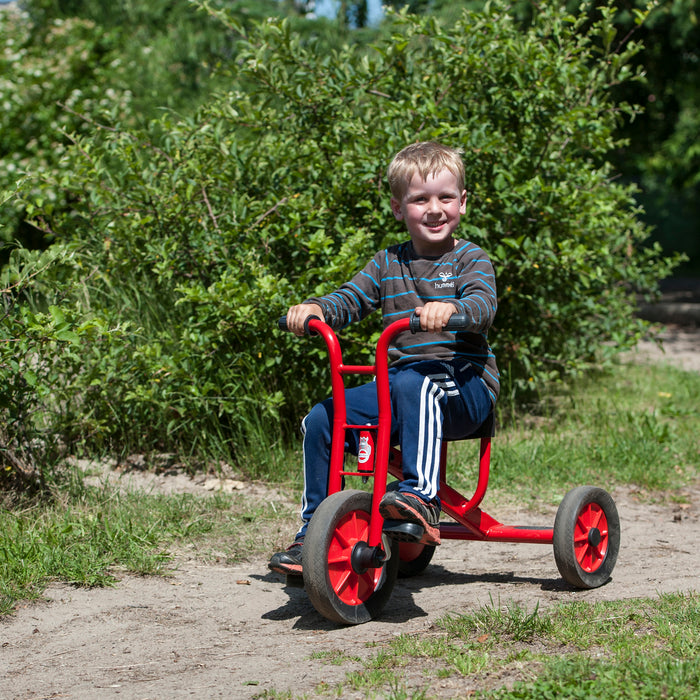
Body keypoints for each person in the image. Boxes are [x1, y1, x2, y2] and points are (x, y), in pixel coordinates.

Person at [269, 141, 499, 576]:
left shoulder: (470, 258)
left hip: (465, 386)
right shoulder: (387, 263)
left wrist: (452, 311)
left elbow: (483, 305)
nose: (434, 209)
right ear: (398, 208)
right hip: (404, 386)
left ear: (463, 203)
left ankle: (419, 497)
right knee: (322, 418)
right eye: (420, 199)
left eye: (446, 197)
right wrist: (316, 310)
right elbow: (350, 299)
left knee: (416, 384)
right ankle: (315, 533)